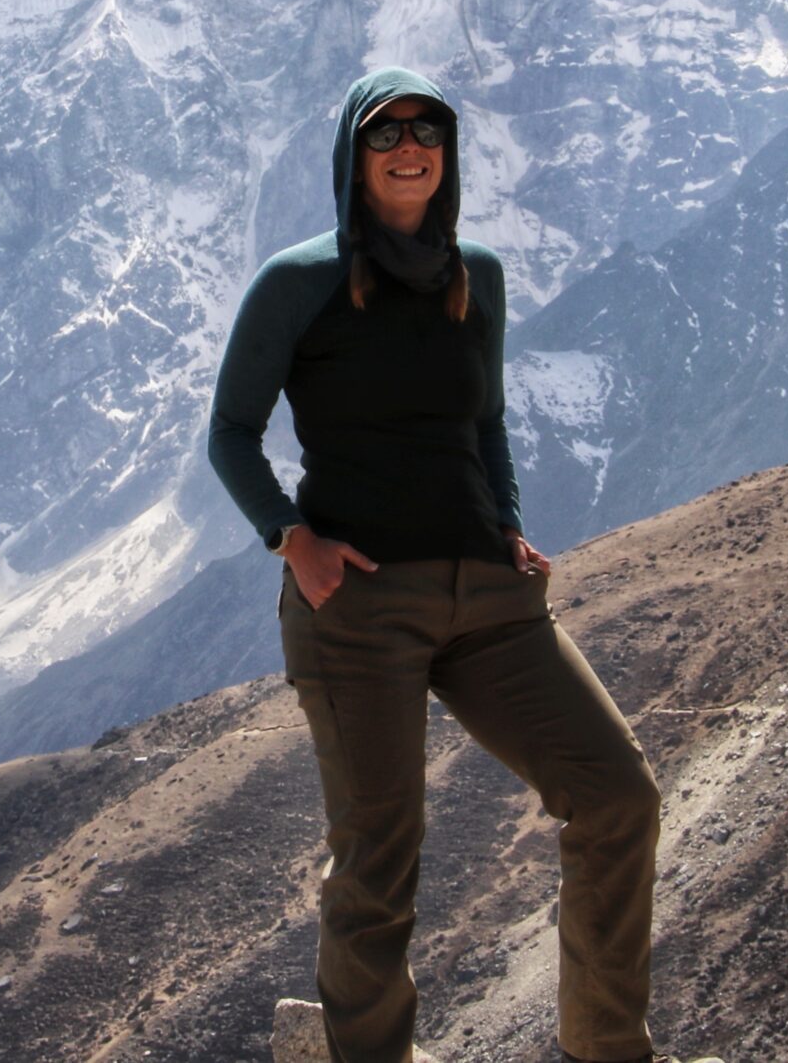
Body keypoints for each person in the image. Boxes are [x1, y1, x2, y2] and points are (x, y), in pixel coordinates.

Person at [207, 67, 716, 1063]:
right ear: (353, 157)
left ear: (447, 152)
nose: (409, 145)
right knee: (378, 862)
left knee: (617, 797)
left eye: (427, 128)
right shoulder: (297, 281)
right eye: (384, 131)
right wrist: (291, 539)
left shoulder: (474, 274)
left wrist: (508, 528)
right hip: (357, 603)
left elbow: (483, 422)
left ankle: (605, 1051)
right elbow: (231, 433)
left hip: (488, 598)